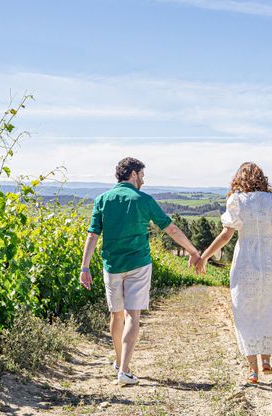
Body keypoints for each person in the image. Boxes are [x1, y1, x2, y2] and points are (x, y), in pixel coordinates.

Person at [79, 157, 201, 386]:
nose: (143, 181)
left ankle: (119, 362)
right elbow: (171, 229)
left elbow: (92, 235)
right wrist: (193, 251)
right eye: (142, 176)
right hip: (138, 264)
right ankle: (124, 369)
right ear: (133, 174)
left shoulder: (102, 200)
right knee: (132, 315)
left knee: (116, 315)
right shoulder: (143, 199)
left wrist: (84, 267)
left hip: (111, 265)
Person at [196, 162, 272, 384]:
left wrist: (204, 256)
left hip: (245, 259)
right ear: (262, 178)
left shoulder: (237, 199)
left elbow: (226, 236)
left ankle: (253, 369)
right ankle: (266, 360)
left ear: (239, 178)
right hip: (270, 260)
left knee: (244, 310)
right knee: (268, 306)